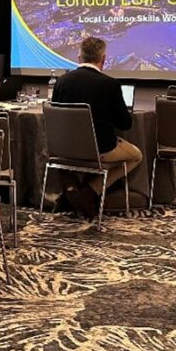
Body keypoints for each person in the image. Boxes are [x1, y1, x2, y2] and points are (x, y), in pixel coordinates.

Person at [51, 37, 142, 217]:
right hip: (99, 149)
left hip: (64, 150)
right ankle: (90, 190)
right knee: (136, 156)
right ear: (103, 59)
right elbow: (125, 124)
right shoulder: (110, 84)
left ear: (79, 57)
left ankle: (72, 189)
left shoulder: (61, 82)